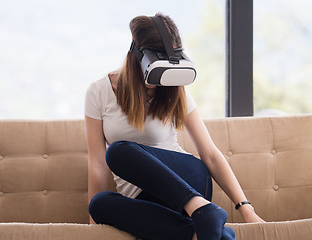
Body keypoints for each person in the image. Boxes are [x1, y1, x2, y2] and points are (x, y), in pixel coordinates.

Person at [85, 13, 264, 240]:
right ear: (136, 56)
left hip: (187, 182)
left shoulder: (175, 88)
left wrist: (245, 207)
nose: (157, 84)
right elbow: (98, 164)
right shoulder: (99, 91)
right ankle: (207, 232)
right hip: (146, 202)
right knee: (99, 204)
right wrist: (93, 226)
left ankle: (202, 208)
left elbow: (210, 154)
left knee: (119, 150)